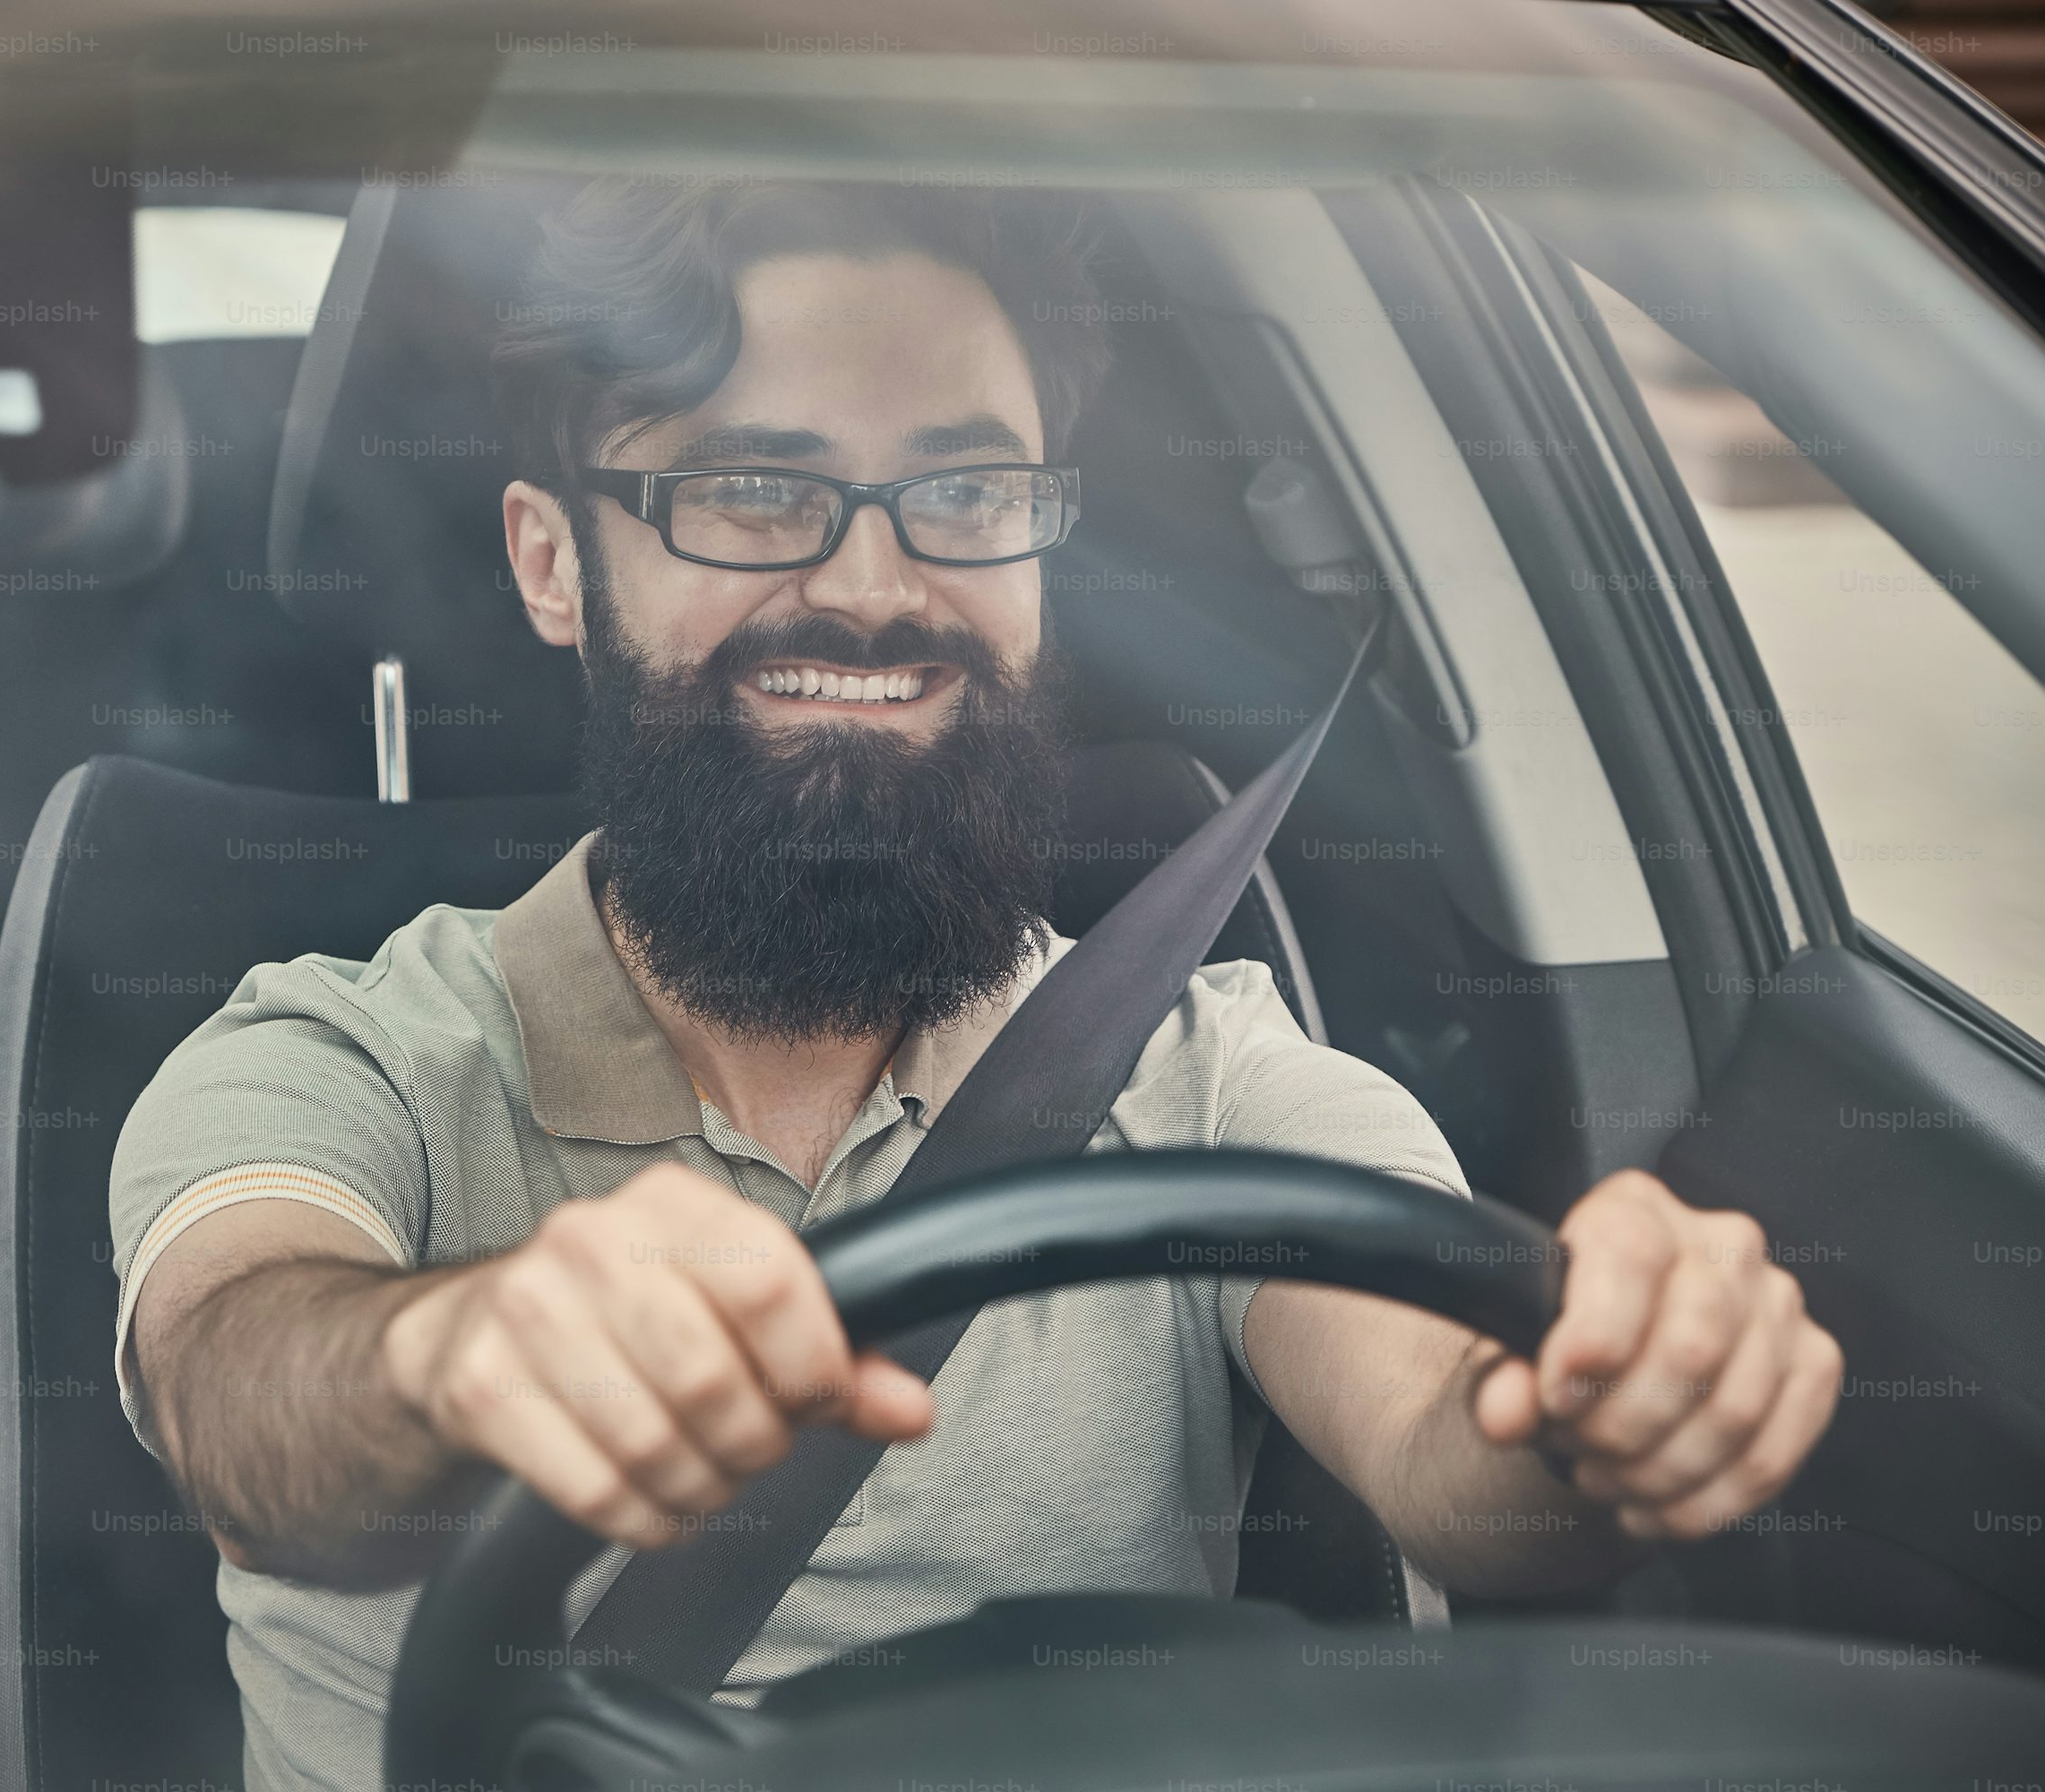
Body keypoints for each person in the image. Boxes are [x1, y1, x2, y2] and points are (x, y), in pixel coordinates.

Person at [107, 178, 1842, 1792]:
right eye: (752, 490)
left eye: (964, 493)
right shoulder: (343, 1053)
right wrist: (461, 1354)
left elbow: (1450, 1438)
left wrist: (1600, 1407)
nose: (874, 589)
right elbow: (239, 1397)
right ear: (556, 563)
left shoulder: (1203, 1065)